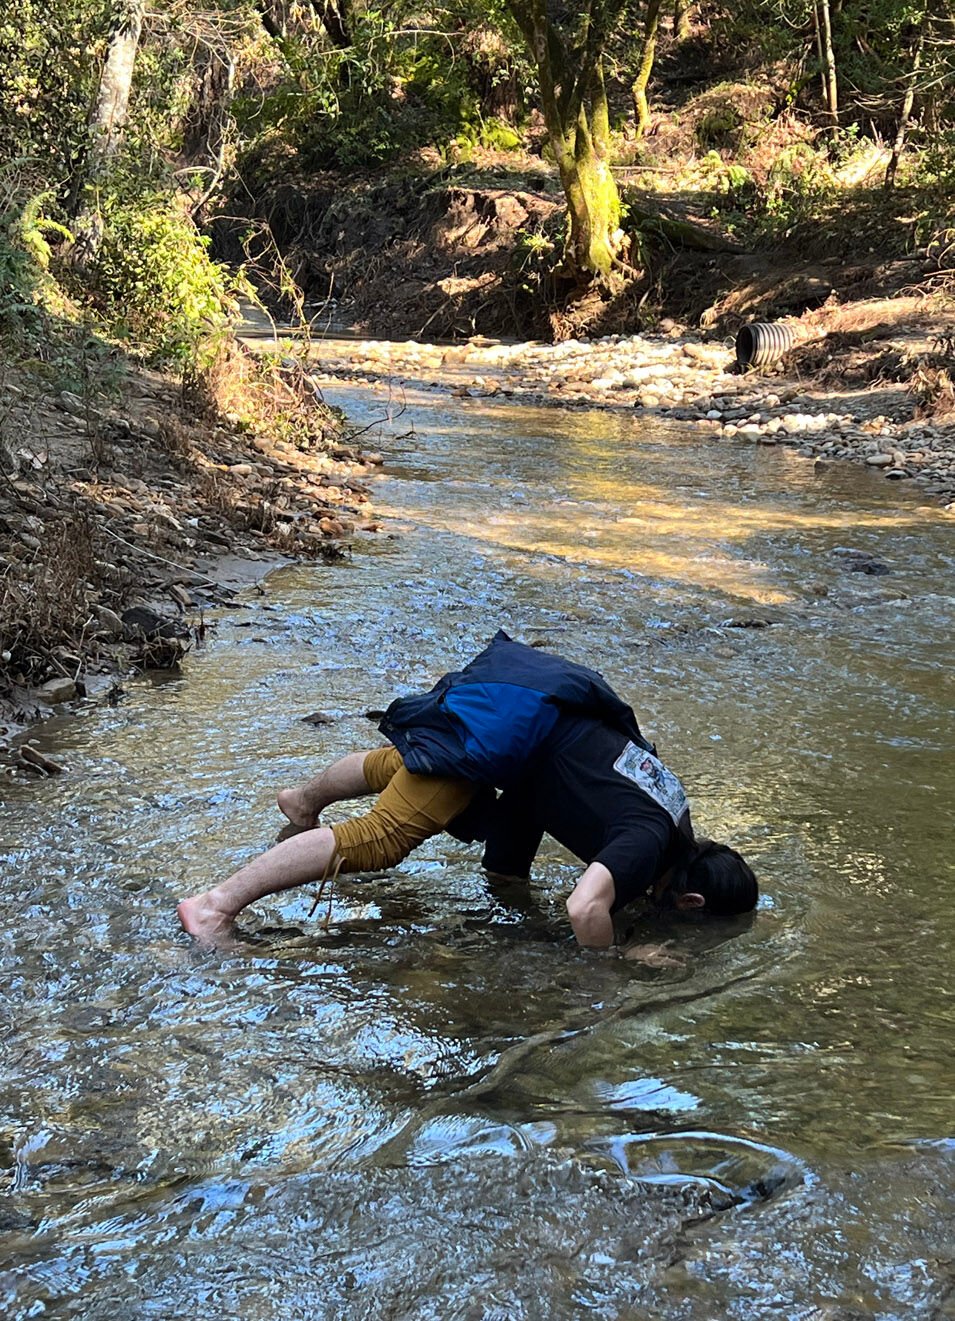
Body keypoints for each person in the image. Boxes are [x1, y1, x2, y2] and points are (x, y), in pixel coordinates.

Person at [178, 631, 758, 946]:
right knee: (382, 839)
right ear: (691, 902)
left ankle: (303, 801)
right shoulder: (646, 842)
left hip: (512, 712)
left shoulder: (670, 807)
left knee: (403, 769)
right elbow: (585, 908)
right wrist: (604, 978)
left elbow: (549, 795)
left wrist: (508, 883)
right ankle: (215, 905)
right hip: (498, 736)